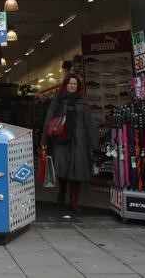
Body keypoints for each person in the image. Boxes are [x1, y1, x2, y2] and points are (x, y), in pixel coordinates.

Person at [40, 74, 98, 211]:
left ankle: (73, 201)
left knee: (77, 171)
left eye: (75, 84)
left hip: (79, 141)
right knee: (62, 169)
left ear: (78, 87)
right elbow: (49, 121)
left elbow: (90, 124)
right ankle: (62, 190)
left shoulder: (83, 103)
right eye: (70, 83)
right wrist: (44, 140)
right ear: (65, 85)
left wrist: (94, 144)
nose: (72, 86)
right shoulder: (57, 101)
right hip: (61, 140)